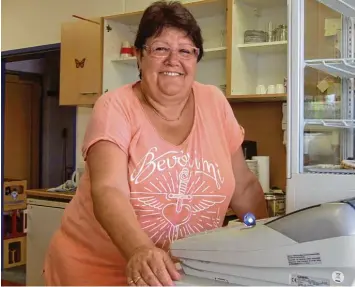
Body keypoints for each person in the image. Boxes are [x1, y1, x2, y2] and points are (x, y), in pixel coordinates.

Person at [44, 1, 268, 286]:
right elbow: (109, 190)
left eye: (186, 50)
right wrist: (140, 249)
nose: (174, 60)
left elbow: (244, 186)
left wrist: (264, 240)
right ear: (139, 56)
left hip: (179, 274)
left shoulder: (214, 102)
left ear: (196, 59)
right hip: (97, 272)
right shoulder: (115, 106)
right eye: (160, 48)